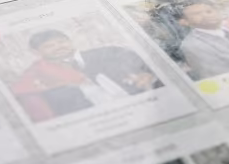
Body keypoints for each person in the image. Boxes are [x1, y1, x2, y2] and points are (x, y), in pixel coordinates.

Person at [10, 29, 160, 121]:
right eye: (49, 46)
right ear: (37, 52)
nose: (58, 47)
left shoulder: (111, 53)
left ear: (70, 41)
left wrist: (146, 74)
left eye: (61, 41)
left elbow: (147, 68)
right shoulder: (36, 77)